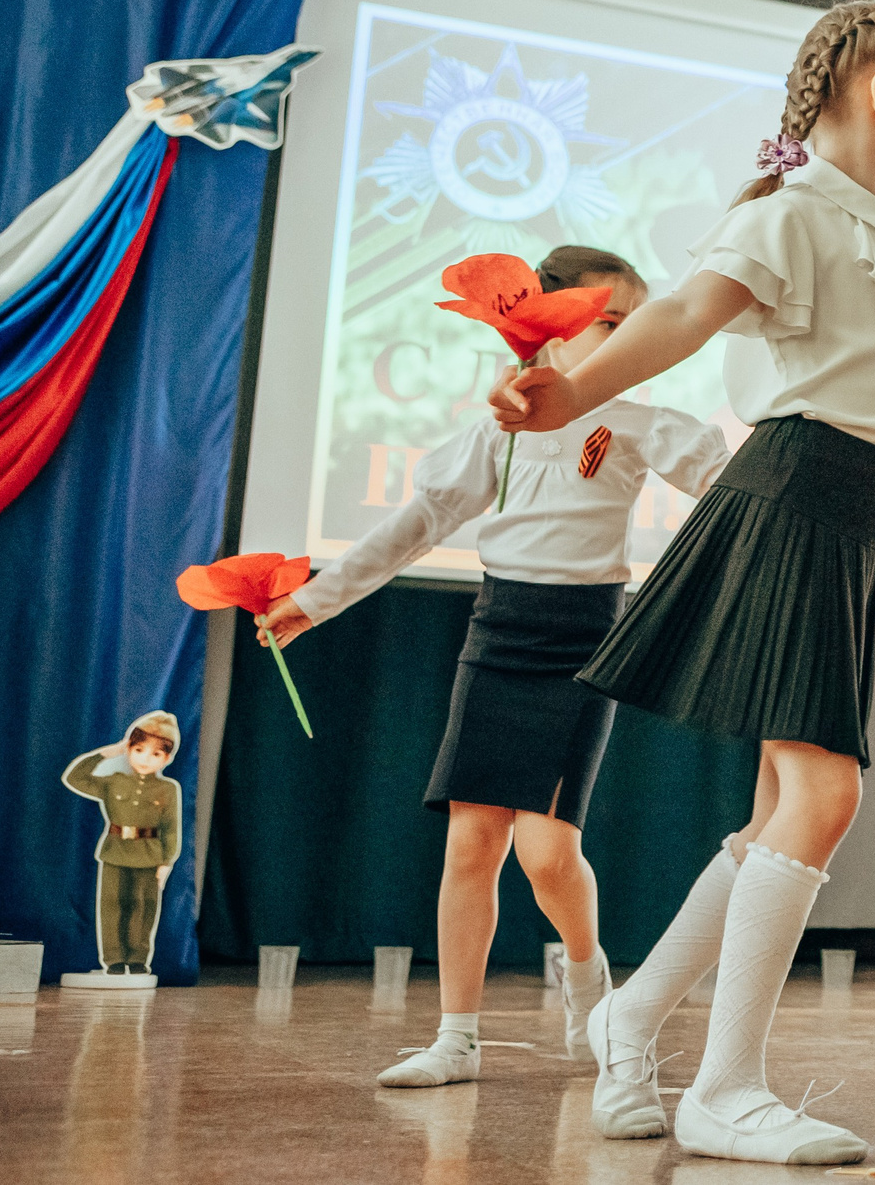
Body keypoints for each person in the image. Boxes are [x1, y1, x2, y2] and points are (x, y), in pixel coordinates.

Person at [489, 2, 875, 1166]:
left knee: (778, 812)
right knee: (822, 797)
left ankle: (635, 1014)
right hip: (799, 490)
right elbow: (686, 312)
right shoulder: (797, 211)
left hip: (847, 512)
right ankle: (725, 1090)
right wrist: (575, 391)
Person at [259, 246, 725, 1089]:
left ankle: (591, 985)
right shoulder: (493, 431)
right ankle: (456, 1036)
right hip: (499, 629)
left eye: (635, 328)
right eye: (611, 324)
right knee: (472, 842)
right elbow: (420, 519)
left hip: (583, 638)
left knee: (548, 855)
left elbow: (724, 481)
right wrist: (317, 598)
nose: (627, 342)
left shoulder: (634, 419)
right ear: (547, 327)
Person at [59, 712, 182, 977]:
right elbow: (74, 778)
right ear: (129, 749)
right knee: (111, 906)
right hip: (115, 851)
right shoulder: (114, 781)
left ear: (167, 758)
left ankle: (138, 958)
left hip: (149, 854)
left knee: (143, 907)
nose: (145, 759)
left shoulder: (168, 789)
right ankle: (113, 960)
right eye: (138, 750)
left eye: (156, 754)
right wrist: (105, 754)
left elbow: (171, 827)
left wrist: (167, 862)